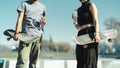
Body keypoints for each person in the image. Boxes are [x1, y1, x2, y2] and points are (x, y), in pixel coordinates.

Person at [13, 0, 46, 68]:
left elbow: (43, 19)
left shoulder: (43, 7)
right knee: (22, 60)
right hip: (26, 36)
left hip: (38, 36)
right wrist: (16, 33)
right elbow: (20, 18)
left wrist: (43, 21)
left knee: (33, 62)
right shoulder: (24, 4)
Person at [72, 0, 100, 68]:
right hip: (81, 34)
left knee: (89, 59)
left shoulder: (91, 5)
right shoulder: (78, 10)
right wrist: (75, 20)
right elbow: (78, 27)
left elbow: (96, 20)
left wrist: (97, 34)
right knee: (80, 58)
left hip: (90, 32)